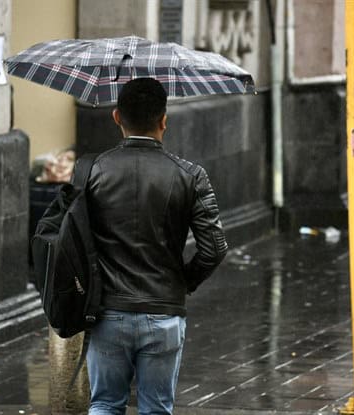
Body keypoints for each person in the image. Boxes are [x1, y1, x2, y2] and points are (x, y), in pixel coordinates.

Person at [85, 78, 228, 414]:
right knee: (157, 409)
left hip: (108, 311)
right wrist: (182, 282)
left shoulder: (91, 172)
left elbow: (71, 240)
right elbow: (214, 248)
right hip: (164, 313)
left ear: (117, 117)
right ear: (164, 120)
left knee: (104, 403)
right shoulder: (191, 176)